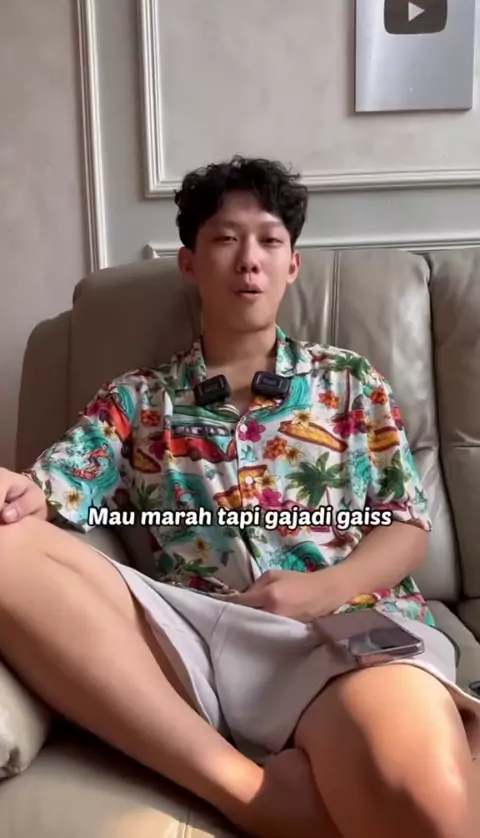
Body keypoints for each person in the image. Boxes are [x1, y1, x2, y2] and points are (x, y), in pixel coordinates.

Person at [0, 155, 478, 838]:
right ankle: (245, 792)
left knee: (423, 803)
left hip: (342, 626)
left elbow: (406, 526)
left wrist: (317, 592)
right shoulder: (138, 397)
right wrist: (18, 491)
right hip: (193, 636)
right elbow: (52, 485)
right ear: (189, 263)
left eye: (269, 240)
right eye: (225, 239)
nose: (249, 259)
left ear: (293, 265)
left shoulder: (349, 381)